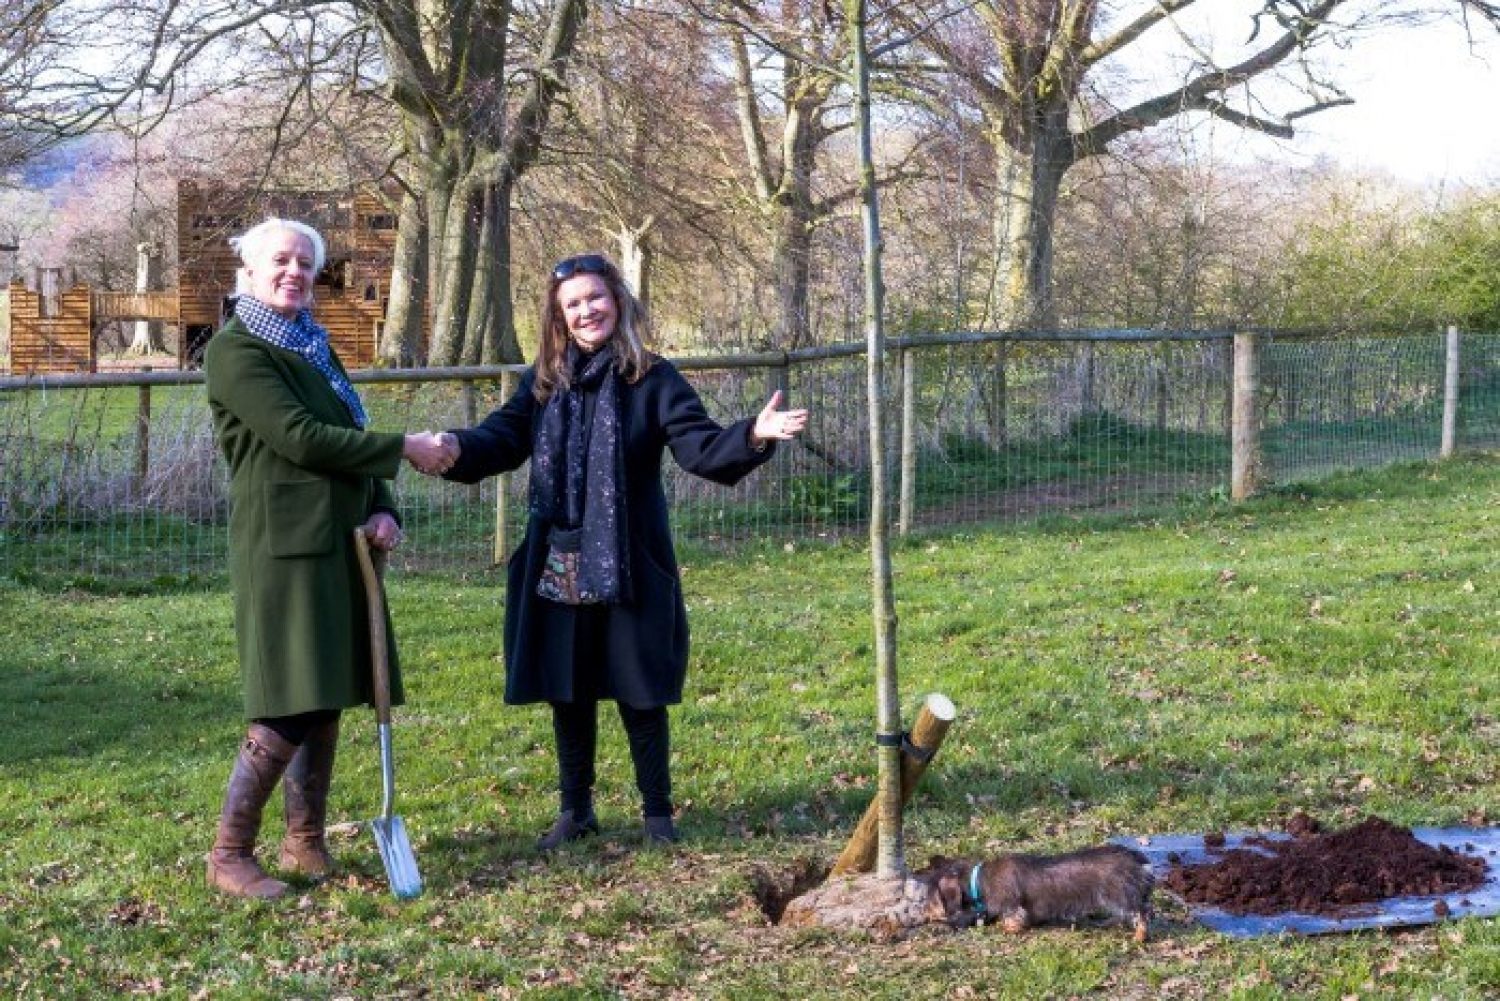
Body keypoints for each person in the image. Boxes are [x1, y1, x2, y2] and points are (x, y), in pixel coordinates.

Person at [427, 253, 807, 848]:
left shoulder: (651, 378)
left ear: (618, 302)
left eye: (595, 298)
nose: (586, 311)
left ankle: (657, 815)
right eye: (572, 304)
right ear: (558, 317)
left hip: (628, 559)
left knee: (639, 685)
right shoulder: (543, 382)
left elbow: (698, 446)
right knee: (567, 685)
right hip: (560, 555)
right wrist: (453, 445)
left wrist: (753, 435)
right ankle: (575, 811)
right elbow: (502, 437)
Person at [202, 217, 452, 898]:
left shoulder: (312, 342)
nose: (293, 272)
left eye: (305, 263)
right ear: (249, 273)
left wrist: (382, 506)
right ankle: (229, 853)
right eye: (279, 261)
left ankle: (304, 837)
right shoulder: (236, 350)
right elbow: (301, 437)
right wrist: (405, 448)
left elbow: (348, 428)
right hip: (284, 544)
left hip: (344, 537)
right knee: (289, 691)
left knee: (330, 685)